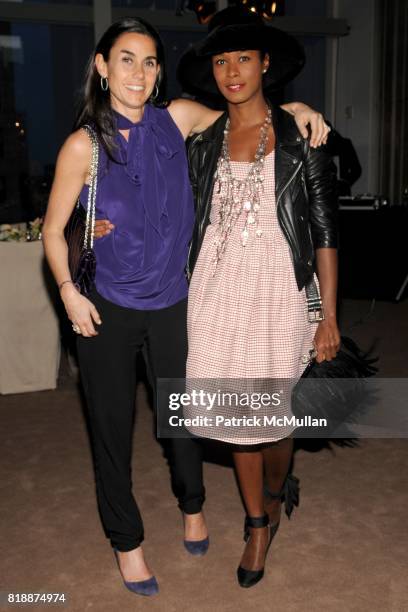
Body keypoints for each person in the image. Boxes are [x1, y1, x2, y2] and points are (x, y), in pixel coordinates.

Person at [42, 16, 331, 596]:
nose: (139, 73)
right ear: (101, 67)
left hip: (177, 298)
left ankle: (192, 505)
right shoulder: (83, 144)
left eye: (150, 61)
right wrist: (69, 292)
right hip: (106, 307)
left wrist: (299, 106)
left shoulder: (175, 119)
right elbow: (52, 231)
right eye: (125, 59)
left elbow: (244, 114)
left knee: (181, 423)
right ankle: (127, 543)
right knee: (111, 428)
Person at [178, 6, 341, 588]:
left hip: (281, 287)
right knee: (235, 414)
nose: (232, 71)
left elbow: (324, 229)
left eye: (243, 57)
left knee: (272, 417)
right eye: (221, 60)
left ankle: (277, 489)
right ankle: (255, 525)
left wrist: (328, 315)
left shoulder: (301, 137)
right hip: (217, 288)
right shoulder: (199, 132)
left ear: (266, 64)